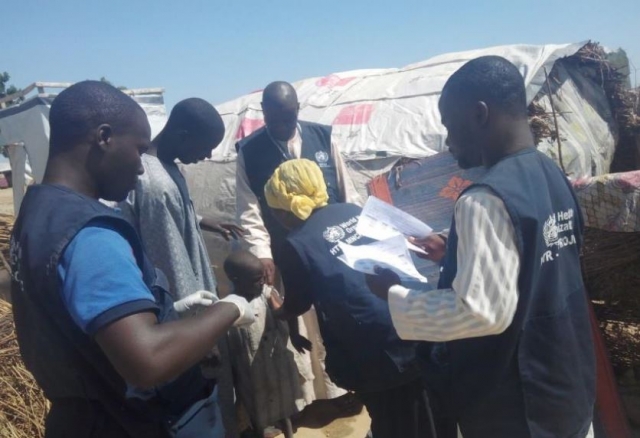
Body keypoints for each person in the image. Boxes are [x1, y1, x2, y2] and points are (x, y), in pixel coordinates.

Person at [9, 81, 255, 438]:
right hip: (121, 420)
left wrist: (166, 310)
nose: (141, 167)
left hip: (78, 414)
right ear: (104, 137)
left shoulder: (38, 211)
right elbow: (148, 360)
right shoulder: (92, 235)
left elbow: (68, 305)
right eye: (139, 150)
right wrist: (229, 308)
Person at [366, 56, 596, 438]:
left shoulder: (484, 200)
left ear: (478, 114)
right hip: (565, 381)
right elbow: (537, 264)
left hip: (517, 406)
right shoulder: (549, 173)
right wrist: (455, 255)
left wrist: (393, 293)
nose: (449, 141)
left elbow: (480, 313)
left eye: (448, 124)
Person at [263, 158, 434, 438]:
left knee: (393, 418)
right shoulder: (353, 209)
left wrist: (279, 310)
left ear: (283, 212)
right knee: (420, 408)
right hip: (410, 316)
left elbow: (299, 303)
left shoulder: (296, 244)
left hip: (371, 346)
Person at [118, 98, 244, 435]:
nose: (205, 157)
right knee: (201, 403)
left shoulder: (165, 167)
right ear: (183, 134)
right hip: (185, 317)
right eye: (204, 148)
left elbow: (177, 215)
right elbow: (171, 261)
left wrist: (203, 221)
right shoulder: (155, 183)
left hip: (190, 309)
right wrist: (201, 334)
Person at [235, 80, 361, 405]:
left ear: (298, 111)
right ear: (264, 113)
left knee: (337, 313)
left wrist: (356, 231)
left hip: (332, 246)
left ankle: (347, 387)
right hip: (284, 249)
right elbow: (249, 209)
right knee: (301, 320)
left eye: (288, 117)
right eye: (274, 118)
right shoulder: (249, 151)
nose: (282, 125)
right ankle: (313, 396)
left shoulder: (322, 136)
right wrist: (262, 253)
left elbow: (347, 190)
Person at [224, 251, 313, 438]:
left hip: (277, 362)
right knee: (256, 407)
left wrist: (296, 336)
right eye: (256, 280)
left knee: (285, 405)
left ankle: (289, 434)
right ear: (236, 279)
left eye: (262, 278)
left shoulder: (266, 293)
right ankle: (259, 431)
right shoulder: (229, 305)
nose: (261, 283)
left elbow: (286, 313)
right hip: (250, 369)